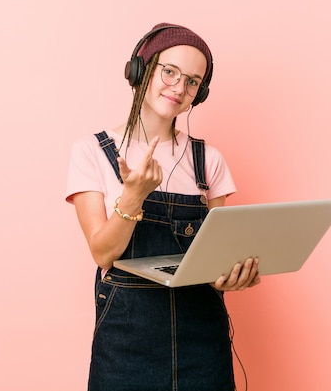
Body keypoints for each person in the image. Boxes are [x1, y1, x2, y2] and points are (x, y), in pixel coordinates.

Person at [65, 22, 261, 391]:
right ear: (140, 70)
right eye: (169, 71)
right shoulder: (92, 152)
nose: (179, 87)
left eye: (192, 81)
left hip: (203, 342)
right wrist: (133, 196)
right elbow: (103, 253)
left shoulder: (209, 160)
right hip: (126, 344)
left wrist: (231, 276)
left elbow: (219, 255)